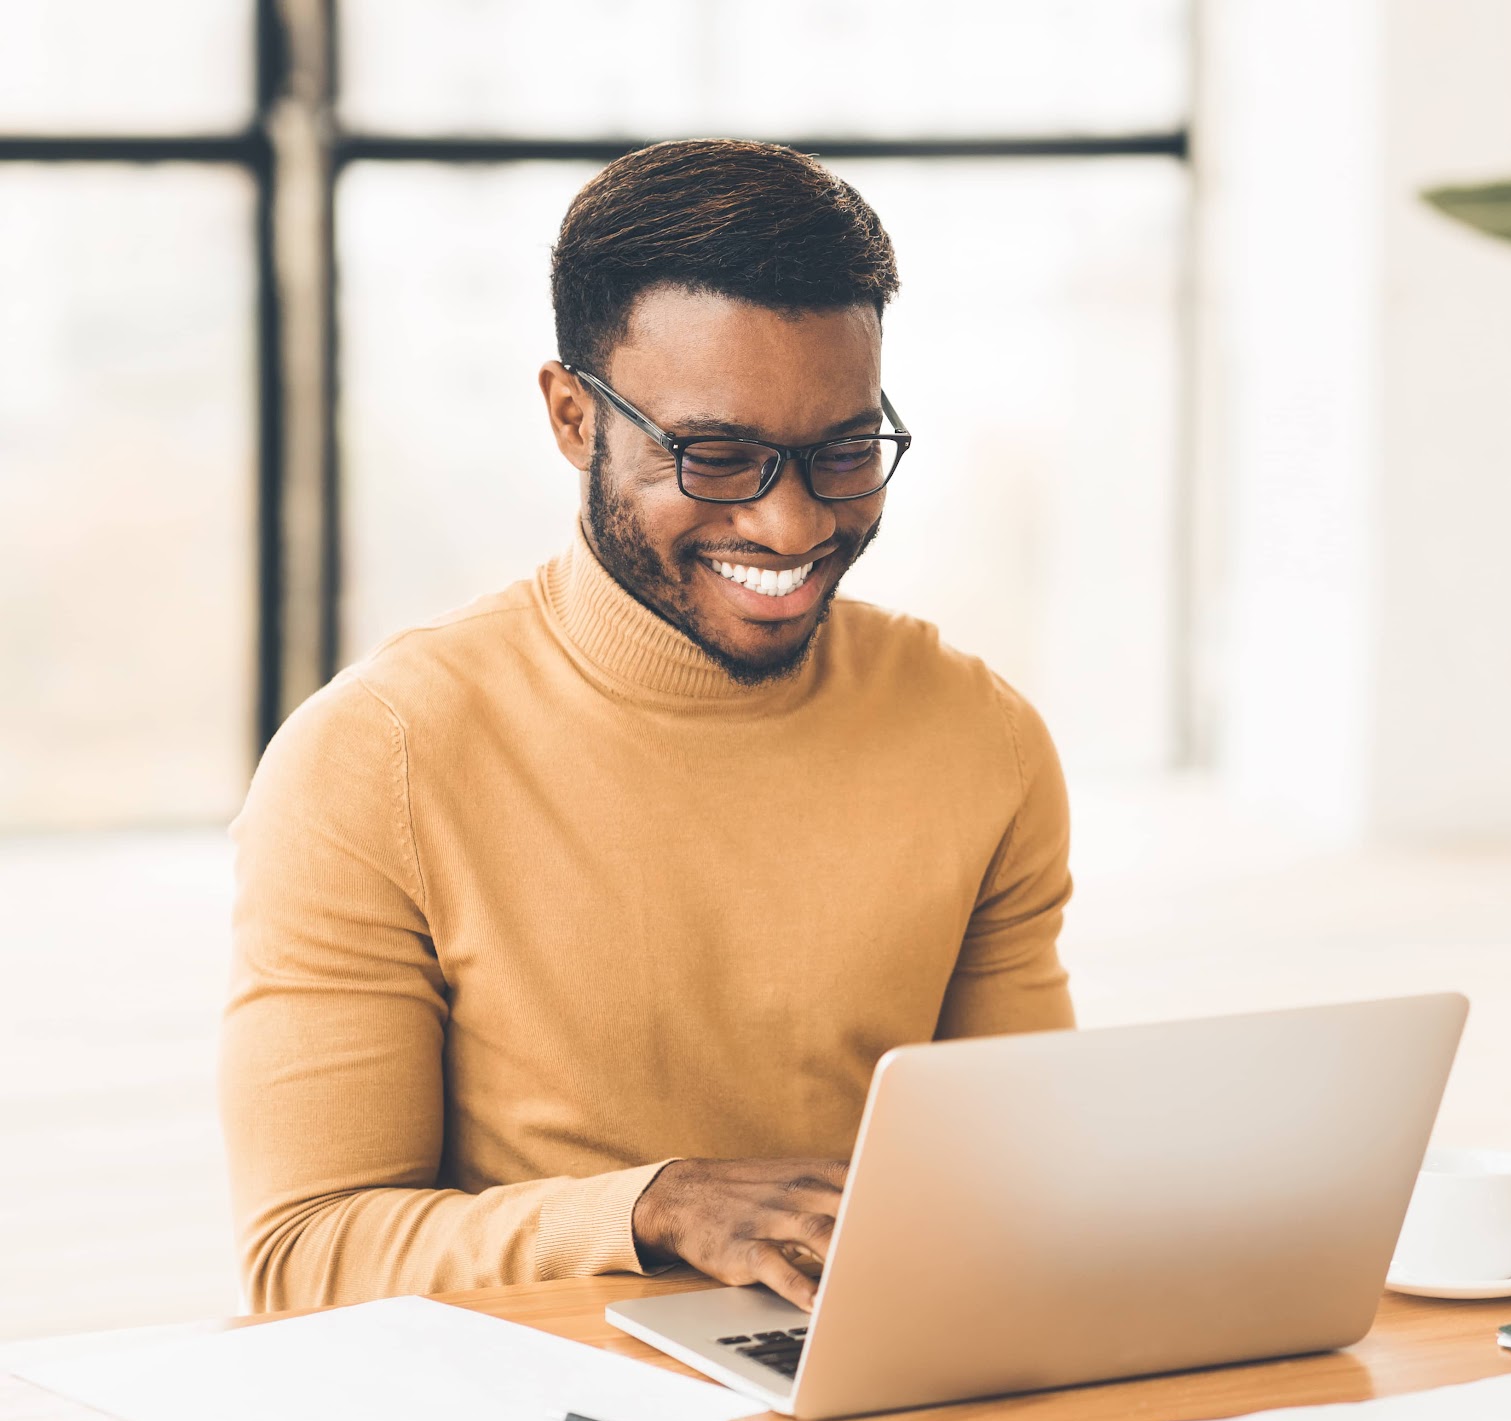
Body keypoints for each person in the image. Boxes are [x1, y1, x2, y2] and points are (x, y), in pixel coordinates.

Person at [221, 140, 1073, 1315]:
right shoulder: (376, 757)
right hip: (527, 1395)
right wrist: (653, 1205)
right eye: (717, 457)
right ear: (574, 417)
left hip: (876, 1373)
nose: (787, 525)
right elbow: (306, 1255)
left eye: (841, 451)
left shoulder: (981, 737)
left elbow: (1028, 1172)